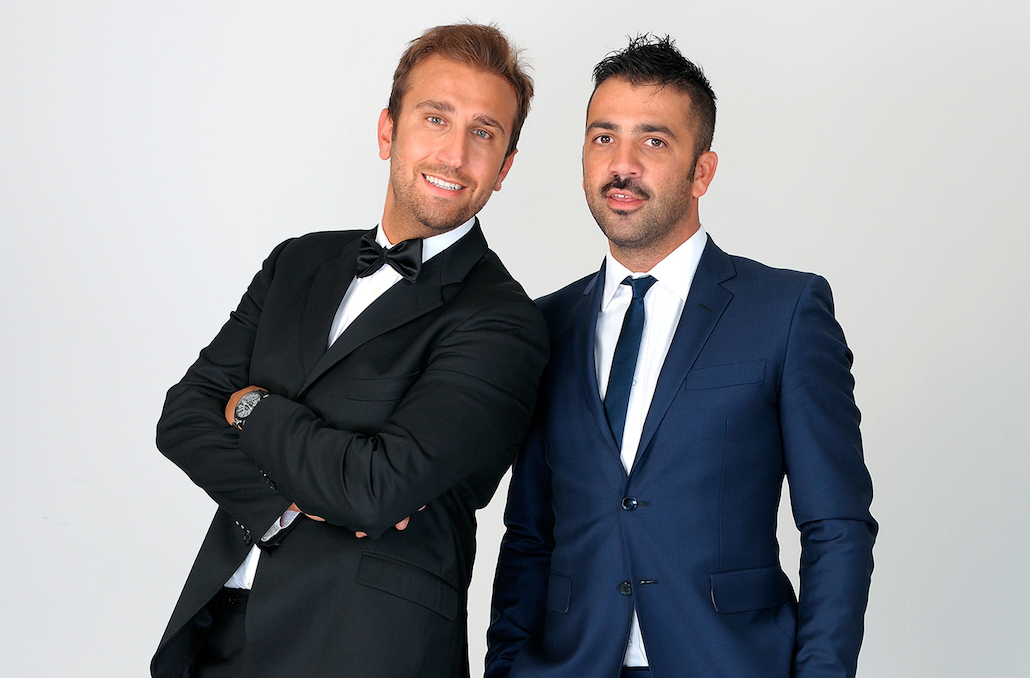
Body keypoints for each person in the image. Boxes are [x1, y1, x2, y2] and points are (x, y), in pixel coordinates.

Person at [151, 23, 548, 678]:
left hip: (365, 647)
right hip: (217, 631)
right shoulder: (296, 262)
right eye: (435, 118)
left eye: (483, 133)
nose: (454, 154)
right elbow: (185, 414)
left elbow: (373, 491)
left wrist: (249, 408)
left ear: (504, 167)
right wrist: (282, 508)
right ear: (388, 130)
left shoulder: (504, 321)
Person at [487, 35, 876, 678]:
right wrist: (505, 666)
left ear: (703, 172)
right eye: (603, 137)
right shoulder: (545, 325)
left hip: (729, 661)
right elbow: (529, 534)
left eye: (654, 141)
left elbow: (837, 526)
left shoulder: (785, 311)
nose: (622, 164)